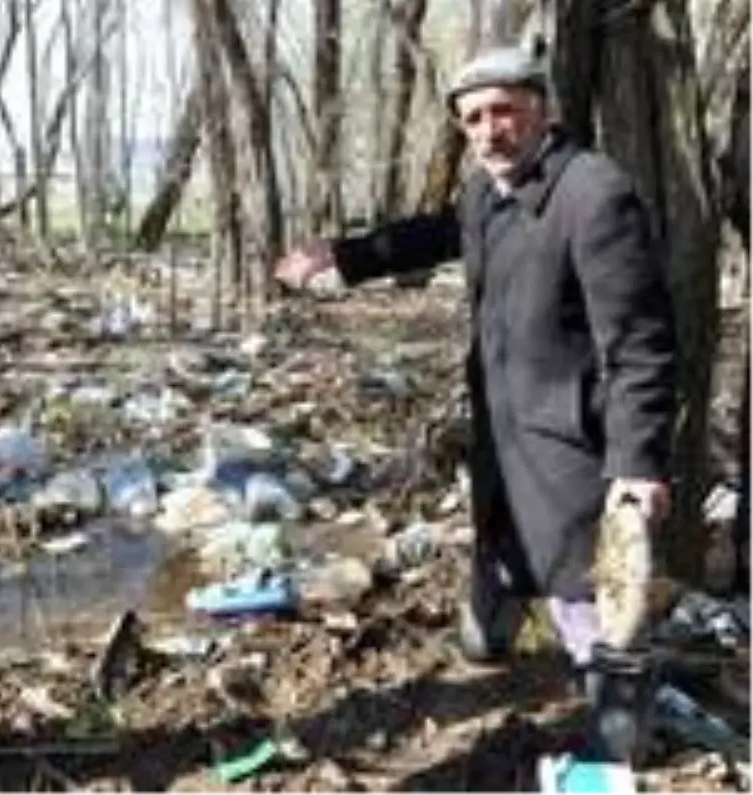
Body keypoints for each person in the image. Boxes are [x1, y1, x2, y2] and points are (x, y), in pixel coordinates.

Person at [275, 46, 677, 758]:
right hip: (502, 423)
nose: (489, 130)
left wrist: (638, 463)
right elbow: (434, 234)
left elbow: (641, 342)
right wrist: (343, 257)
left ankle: (619, 738)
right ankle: (489, 639)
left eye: (504, 111)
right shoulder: (485, 192)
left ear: (542, 111)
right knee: (497, 545)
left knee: (587, 592)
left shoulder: (592, 194)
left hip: (569, 440)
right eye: (473, 119)